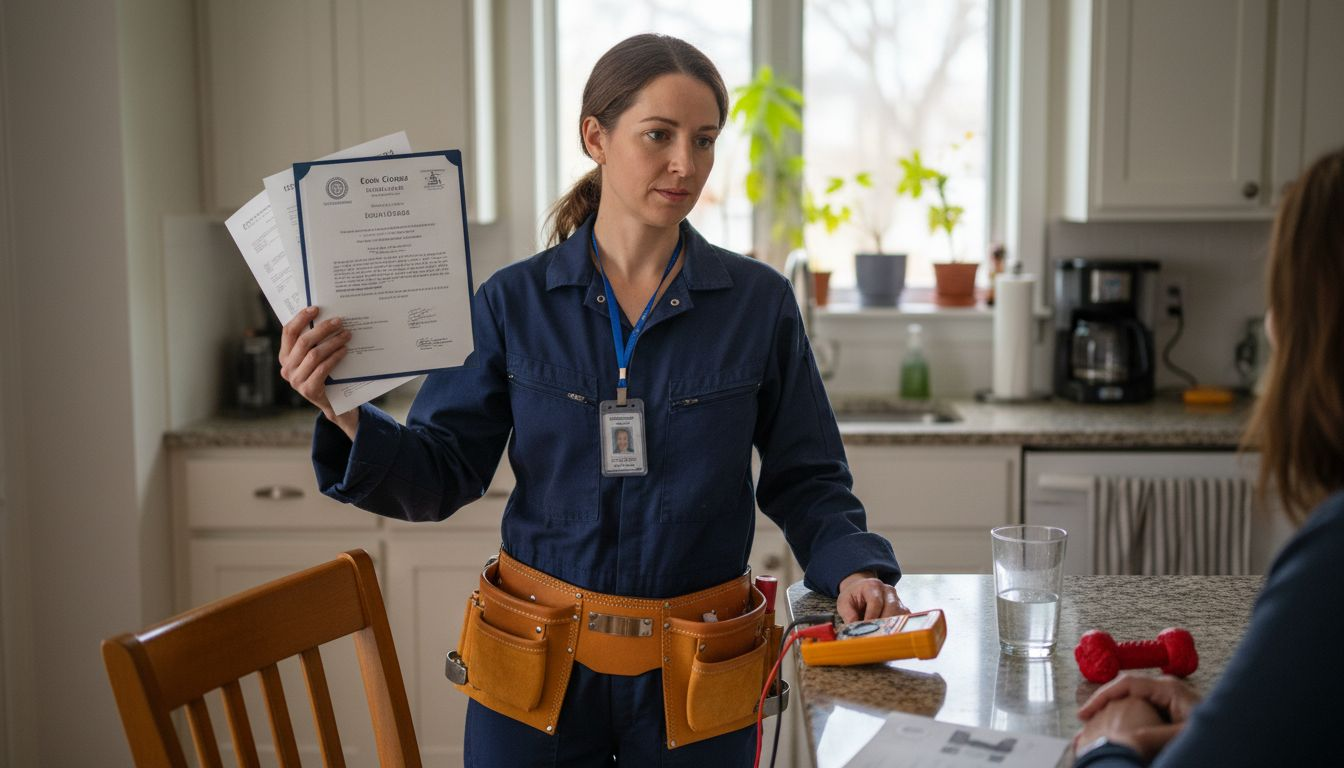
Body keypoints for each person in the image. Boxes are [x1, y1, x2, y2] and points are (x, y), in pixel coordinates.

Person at [279, 33, 907, 765]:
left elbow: (810, 478)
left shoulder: (757, 304)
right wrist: (344, 409)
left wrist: (856, 567)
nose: (686, 164)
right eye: (659, 135)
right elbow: (443, 473)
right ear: (595, 138)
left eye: (704, 141)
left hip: (699, 676)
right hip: (532, 669)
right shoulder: (512, 302)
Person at [1072, 146, 1344, 767]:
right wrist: (1222, 725)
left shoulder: (1335, 556)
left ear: (1314, 325)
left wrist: (1109, 740)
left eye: (1281, 299)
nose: (1272, 326)